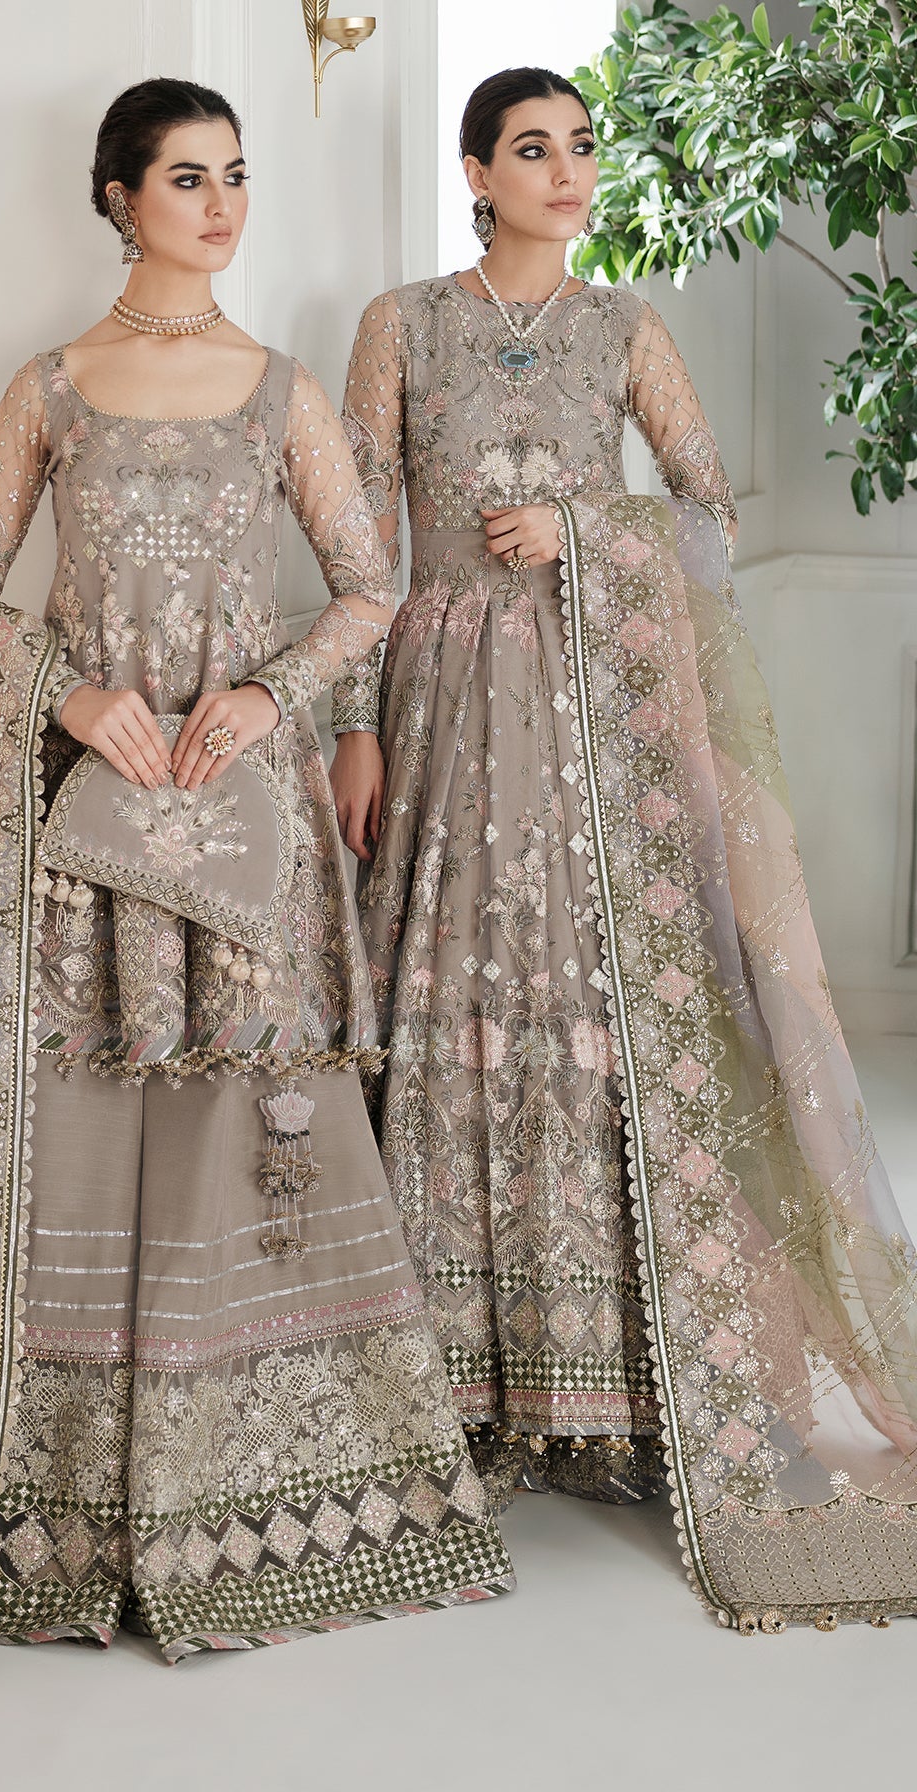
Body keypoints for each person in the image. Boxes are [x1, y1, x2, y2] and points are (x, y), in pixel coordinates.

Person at [0, 78, 512, 1757]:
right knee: (72, 1118)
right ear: (117, 197)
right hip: (83, 819)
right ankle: (49, 1509)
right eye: (189, 179)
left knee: (248, 1127)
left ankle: (262, 1498)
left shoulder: (283, 391)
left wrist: (270, 697)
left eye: (239, 177)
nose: (223, 207)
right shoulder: (52, 387)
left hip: (239, 809)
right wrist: (73, 699)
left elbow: (370, 585)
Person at [329, 65, 917, 1628]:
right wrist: (351, 728)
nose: (568, 171)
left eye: (582, 147)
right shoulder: (401, 326)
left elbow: (711, 515)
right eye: (534, 149)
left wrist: (587, 533)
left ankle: (606, 1385)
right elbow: (356, 545)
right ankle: (448, 1379)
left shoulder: (626, 330)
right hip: (442, 706)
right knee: (451, 999)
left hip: (599, 716)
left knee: (597, 1013)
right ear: (476, 171)